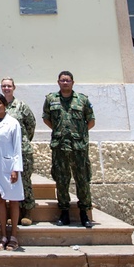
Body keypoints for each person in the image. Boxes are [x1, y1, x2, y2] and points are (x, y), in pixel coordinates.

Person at [42, 70, 95, 227]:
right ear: (58, 82)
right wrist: (59, 132)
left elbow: (90, 121)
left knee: (82, 180)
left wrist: (79, 134)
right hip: (60, 147)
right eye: (62, 80)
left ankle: (84, 213)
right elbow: (46, 118)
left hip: (78, 147)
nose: (65, 83)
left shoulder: (82, 100)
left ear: (73, 82)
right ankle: (64, 212)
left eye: (68, 80)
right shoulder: (51, 99)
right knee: (62, 180)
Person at [0, 92, 23, 251]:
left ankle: (14, 236)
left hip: (9, 166)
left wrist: (16, 169)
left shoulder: (13, 123)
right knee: (0, 199)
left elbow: (17, 147)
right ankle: (3, 235)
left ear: (5, 104)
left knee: (13, 199)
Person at [1, 77, 37, 225]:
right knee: (10, 182)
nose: (6, 88)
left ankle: (27, 211)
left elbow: (31, 125)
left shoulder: (21, 106)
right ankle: (13, 213)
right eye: (4, 86)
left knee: (25, 180)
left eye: (9, 86)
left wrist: (22, 141)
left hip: (22, 150)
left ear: (14, 87)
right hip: (6, 151)